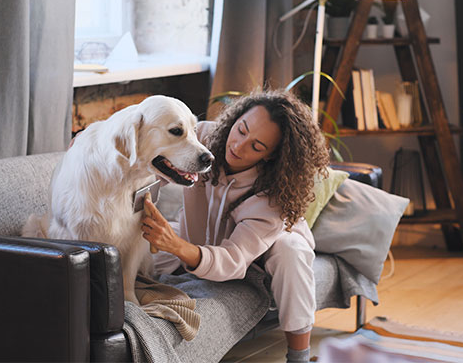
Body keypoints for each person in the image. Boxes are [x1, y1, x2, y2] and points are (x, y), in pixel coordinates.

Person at [141, 88, 330, 363]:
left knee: (290, 251)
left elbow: (233, 260)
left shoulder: (273, 200)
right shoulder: (201, 138)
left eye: (256, 146)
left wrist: (179, 247)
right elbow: (151, 163)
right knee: (139, 249)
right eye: (241, 130)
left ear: (270, 156)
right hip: (203, 240)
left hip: (262, 249)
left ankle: (299, 356)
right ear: (235, 119)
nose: (238, 146)